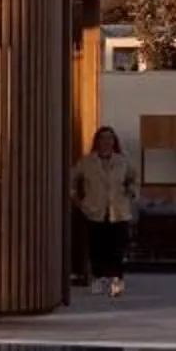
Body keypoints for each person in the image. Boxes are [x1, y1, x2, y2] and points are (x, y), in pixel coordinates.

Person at [72, 125, 138, 296]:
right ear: (97, 141)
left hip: (119, 211)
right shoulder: (86, 162)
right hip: (95, 210)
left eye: (110, 139)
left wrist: (130, 192)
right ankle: (98, 279)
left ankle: (117, 282)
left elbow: (134, 179)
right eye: (102, 138)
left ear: (114, 142)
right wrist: (78, 201)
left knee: (118, 248)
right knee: (97, 248)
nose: (106, 142)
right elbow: (71, 180)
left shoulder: (122, 161)